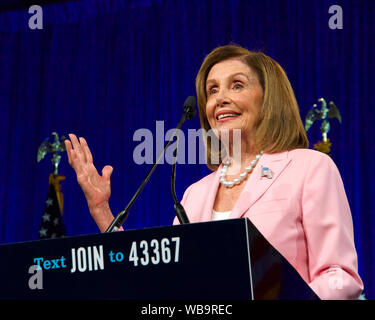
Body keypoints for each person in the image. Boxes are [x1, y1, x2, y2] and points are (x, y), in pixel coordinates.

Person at [65, 44, 364, 300]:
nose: (219, 98)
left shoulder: (308, 167)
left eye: (237, 85)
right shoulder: (195, 195)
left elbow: (340, 277)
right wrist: (102, 209)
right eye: (212, 90)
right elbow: (160, 282)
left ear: (268, 98)